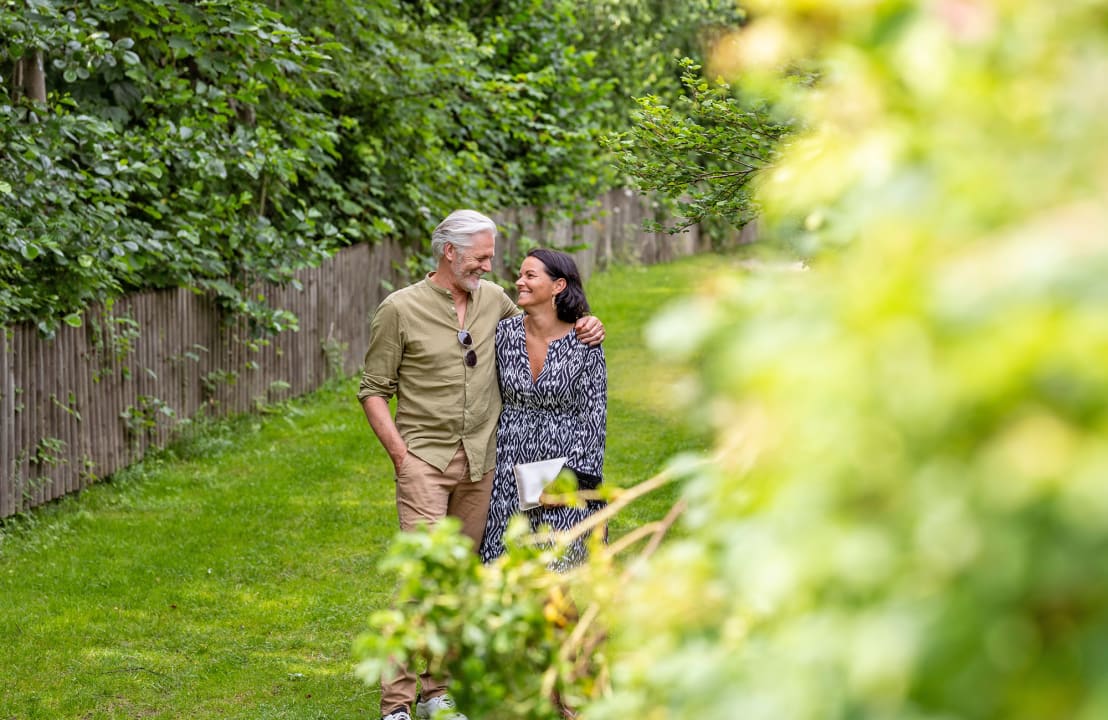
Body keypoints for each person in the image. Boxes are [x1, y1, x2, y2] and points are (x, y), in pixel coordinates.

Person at [357, 210, 604, 720]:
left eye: (495, 258)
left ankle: (438, 692)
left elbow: (550, 319)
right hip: (426, 459)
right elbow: (373, 389)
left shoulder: (497, 305)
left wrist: (588, 321)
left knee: (467, 579)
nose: (494, 268)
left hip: (487, 465)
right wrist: (402, 457)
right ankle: (396, 706)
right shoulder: (400, 309)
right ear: (450, 251)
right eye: (483, 257)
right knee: (422, 577)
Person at [478, 248, 607, 571]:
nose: (519, 281)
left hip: (563, 470)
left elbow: (594, 416)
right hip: (509, 464)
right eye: (520, 274)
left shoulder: (584, 340)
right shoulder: (504, 334)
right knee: (505, 562)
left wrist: (572, 479)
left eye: (530, 275)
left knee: (559, 571)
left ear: (558, 286)